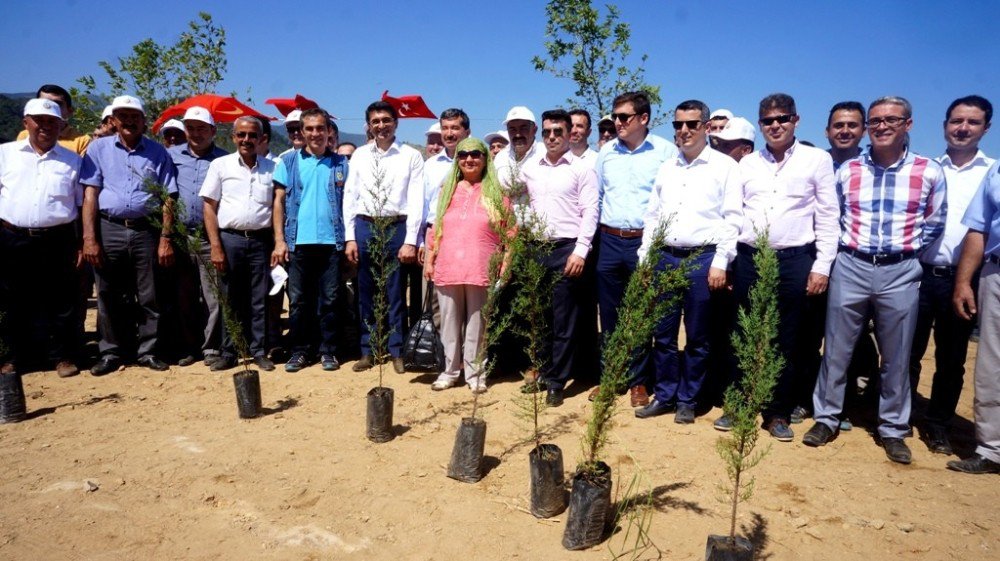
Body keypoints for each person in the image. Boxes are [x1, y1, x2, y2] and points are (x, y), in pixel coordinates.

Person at [806, 96, 947, 465]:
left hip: (900, 270)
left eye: (891, 120)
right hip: (850, 264)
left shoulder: (928, 171)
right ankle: (826, 417)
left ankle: (892, 429)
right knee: (836, 350)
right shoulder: (848, 170)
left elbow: (935, 222)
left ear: (908, 125)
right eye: (875, 121)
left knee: (897, 355)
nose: (881, 126)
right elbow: (832, 217)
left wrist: (907, 253)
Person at [725, 93, 838, 442]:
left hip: (794, 260)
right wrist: (726, 261)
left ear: (796, 120)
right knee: (745, 333)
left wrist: (821, 266)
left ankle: (777, 411)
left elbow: (828, 216)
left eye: (782, 119)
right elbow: (732, 215)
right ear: (760, 126)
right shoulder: (746, 165)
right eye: (768, 121)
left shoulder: (816, 160)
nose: (775, 126)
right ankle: (741, 404)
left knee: (786, 339)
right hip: (750, 258)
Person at [634, 100, 742, 423]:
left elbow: (732, 219)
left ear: (707, 128)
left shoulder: (725, 168)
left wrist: (721, 260)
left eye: (692, 124)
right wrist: (645, 258)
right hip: (665, 258)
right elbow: (653, 216)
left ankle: (688, 399)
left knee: (697, 336)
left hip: (702, 259)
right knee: (663, 335)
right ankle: (665, 395)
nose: (684, 131)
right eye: (678, 125)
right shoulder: (668, 168)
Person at [910, 95, 994, 455]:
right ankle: (900, 412)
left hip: (963, 279)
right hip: (917, 272)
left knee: (952, 356)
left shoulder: (993, 173)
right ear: (944, 125)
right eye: (956, 121)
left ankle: (938, 424)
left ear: (986, 128)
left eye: (972, 123)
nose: (963, 128)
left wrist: (965, 279)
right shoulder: (927, 168)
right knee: (904, 351)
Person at [80, 95, 177, 375]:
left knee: (149, 295)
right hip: (108, 227)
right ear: (113, 120)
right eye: (123, 116)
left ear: (144, 121)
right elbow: (90, 195)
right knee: (109, 293)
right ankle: (111, 352)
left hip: (146, 229)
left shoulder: (158, 152)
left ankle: (148, 351)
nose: (130, 121)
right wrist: (89, 238)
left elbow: (168, 198)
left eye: (135, 116)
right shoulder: (98, 149)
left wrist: (166, 238)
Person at [593, 91, 678, 407]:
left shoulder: (665, 153)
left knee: (640, 315)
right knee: (610, 315)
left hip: (646, 243)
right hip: (610, 241)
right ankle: (610, 378)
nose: (617, 122)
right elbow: (598, 197)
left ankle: (639, 382)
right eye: (615, 117)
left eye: (624, 117)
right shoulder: (606, 154)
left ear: (644, 119)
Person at [519, 109, 599, 407]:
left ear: (569, 135)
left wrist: (581, 250)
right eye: (548, 132)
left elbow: (591, 211)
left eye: (559, 132)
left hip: (567, 250)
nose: (552, 137)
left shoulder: (581, 169)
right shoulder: (532, 168)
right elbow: (520, 201)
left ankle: (557, 381)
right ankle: (542, 371)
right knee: (540, 318)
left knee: (564, 319)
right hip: (536, 249)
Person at [0, 98, 83, 378]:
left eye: (52, 121)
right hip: (12, 236)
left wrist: (82, 241)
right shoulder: (6, 154)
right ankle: (16, 357)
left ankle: (63, 356)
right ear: (26, 123)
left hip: (58, 238)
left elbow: (81, 205)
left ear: (62, 125)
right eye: (39, 120)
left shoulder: (73, 161)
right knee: (14, 299)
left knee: (61, 300)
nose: (46, 126)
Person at [344, 101, 424, 373]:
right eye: (376, 121)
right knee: (365, 292)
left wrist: (411, 239)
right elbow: (350, 197)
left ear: (396, 123)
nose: (381, 125)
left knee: (396, 293)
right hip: (365, 227)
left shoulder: (411, 156)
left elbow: (416, 200)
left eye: (386, 120)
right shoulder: (360, 156)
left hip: (396, 227)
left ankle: (397, 351)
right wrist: (350, 237)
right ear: (369, 125)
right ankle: (368, 350)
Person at [424, 137, 507, 393]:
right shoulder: (446, 191)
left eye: (475, 154)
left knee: (477, 324)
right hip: (448, 265)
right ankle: (449, 371)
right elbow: (434, 228)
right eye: (463, 155)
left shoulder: (497, 194)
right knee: (448, 323)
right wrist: (429, 259)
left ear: (485, 159)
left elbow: (510, 235)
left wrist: (506, 265)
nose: (469, 159)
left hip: (481, 267)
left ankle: (475, 374)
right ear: (457, 160)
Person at [272, 108, 349, 372]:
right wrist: (279, 240)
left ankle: (328, 350)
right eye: (310, 129)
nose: (315, 134)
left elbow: (348, 204)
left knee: (330, 299)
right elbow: (279, 202)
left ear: (329, 131)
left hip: (331, 243)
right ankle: (300, 350)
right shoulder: (289, 163)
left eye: (320, 128)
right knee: (299, 301)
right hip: (298, 243)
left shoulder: (341, 164)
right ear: (302, 132)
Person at [201, 116, 277, 372]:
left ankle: (258, 350)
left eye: (252, 135)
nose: (247, 140)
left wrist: (277, 242)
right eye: (241, 135)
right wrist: (215, 246)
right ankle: (229, 350)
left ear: (261, 139)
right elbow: (209, 208)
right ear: (233, 137)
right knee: (230, 297)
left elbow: (277, 208)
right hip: (230, 239)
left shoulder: (272, 168)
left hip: (260, 241)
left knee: (259, 299)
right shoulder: (220, 166)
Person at [164, 107, 227, 367]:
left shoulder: (224, 159)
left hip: (209, 236)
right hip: (180, 235)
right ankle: (189, 346)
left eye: (202, 128)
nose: (196, 133)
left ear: (213, 131)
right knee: (184, 296)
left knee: (214, 296)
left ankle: (211, 347)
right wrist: (165, 236)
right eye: (191, 128)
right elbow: (166, 196)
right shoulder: (170, 157)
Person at [949, 160, 1000, 474]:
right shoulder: (996, 173)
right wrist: (964, 280)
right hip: (996, 272)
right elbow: (979, 227)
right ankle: (992, 449)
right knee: (991, 367)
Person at [16, 84, 91, 156]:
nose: (50, 108)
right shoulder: (25, 135)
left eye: (57, 104)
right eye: (44, 104)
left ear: (69, 111)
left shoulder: (83, 141)